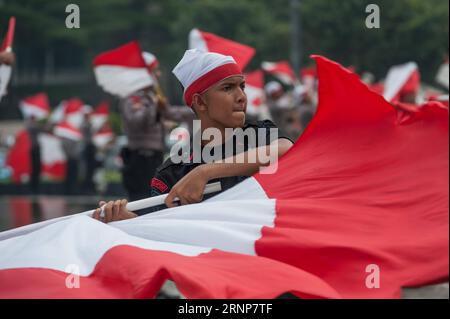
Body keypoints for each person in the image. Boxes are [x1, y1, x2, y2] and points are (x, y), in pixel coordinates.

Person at [93, 49, 293, 222]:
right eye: (228, 88)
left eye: (242, 86)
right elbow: (156, 227)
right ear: (200, 102)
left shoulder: (259, 135)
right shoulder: (172, 172)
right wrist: (122, 219)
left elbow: (286, 151)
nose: (241, 96)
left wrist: (206, 172)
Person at [119, 51, 194, 202]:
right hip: (140, 157)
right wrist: (153, 105)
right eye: (154, 71)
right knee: (140, 198)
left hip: (154, 155)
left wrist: (196, 108)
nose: (158, 75)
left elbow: (170, 113)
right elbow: (136, 122)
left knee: (152, 197)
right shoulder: (132, 98)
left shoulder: (151, 97)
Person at [25, 115, 41, 194]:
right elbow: (35, 128)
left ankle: (36, 186)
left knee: (37, 168)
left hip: (36, 148)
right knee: (34, 168)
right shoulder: (30, 126)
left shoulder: (33, 126)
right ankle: (33, 187)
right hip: (33, 148)